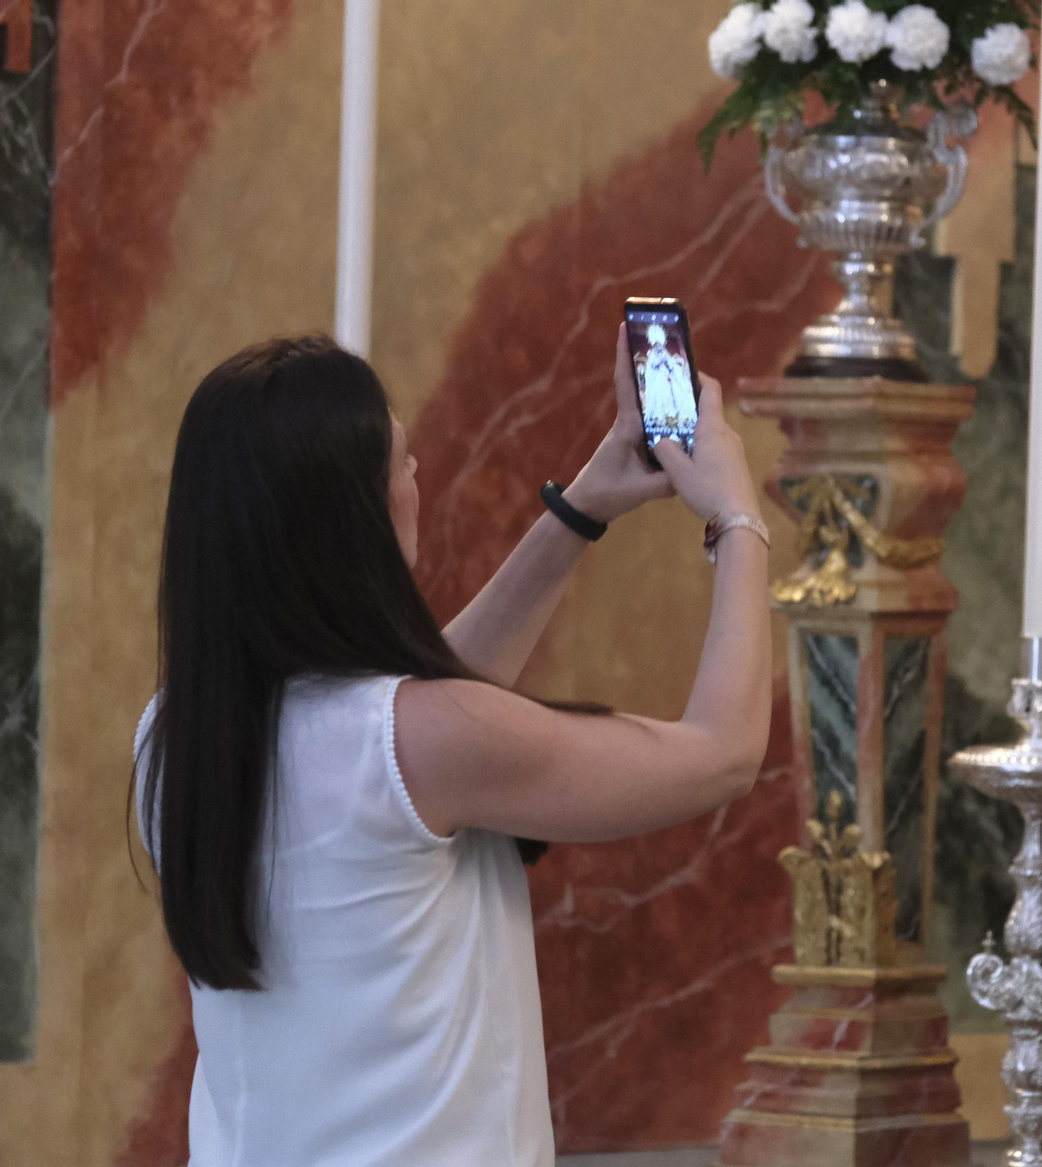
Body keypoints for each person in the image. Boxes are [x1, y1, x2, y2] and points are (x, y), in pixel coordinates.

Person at [132, 327, 771, 1166]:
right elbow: (722, 752)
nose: (417, 478)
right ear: (352, 518)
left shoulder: (178, 734)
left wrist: (582, 511)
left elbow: (420, 713)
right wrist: (736, 517)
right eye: (400, 462)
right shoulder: (415, 743)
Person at [638, 323, 698, 441]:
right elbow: (652, 366)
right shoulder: (652, 354)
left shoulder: (664, 351)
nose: (659, 347)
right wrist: (661, 363)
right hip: (659, 383)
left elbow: (672, 364)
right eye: (657, 344)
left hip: (669, 382)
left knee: (676, 400)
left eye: (660, 344)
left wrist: (671, 364)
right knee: (662, 403)